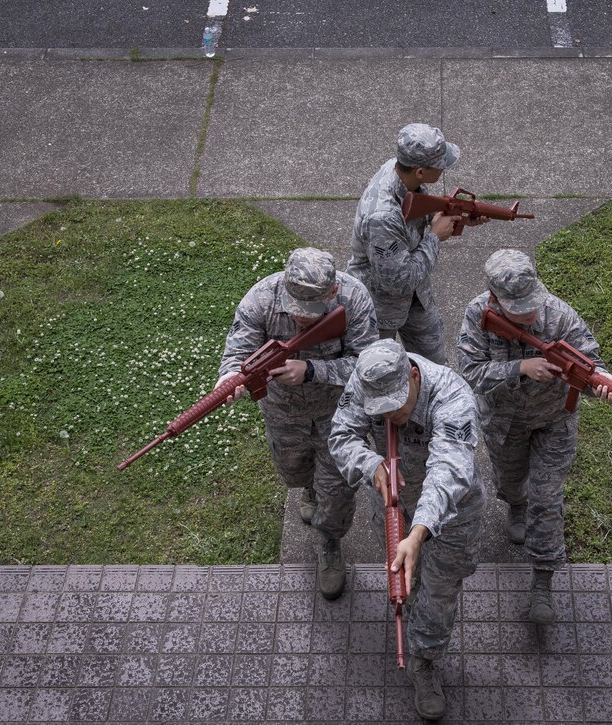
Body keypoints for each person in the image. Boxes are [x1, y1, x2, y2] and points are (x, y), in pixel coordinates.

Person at [455, 249, 612, 625]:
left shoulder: (558, 314)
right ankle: (514, 504)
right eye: (517, 309)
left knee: (546, 498)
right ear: (495, 300)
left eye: (530, 305)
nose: (529, 314)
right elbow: (469, 371)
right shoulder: (477, 315)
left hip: (553, 421)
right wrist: (520, 367)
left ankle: (543, 581)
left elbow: (591, 359)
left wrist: (602, 383)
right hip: (504, 422)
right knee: (510, 481)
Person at [329, 339, 484, 721]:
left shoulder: (452, 395)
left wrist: (417, 533)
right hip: (391, 500)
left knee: (440, 590)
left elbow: (448, 470)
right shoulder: (365, 380)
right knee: (405, 582)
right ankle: (409, 615)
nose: (391, 416)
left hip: (449, 512)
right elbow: (341, 436)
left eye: (397, 405)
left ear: (413, 375)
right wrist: (370, 465)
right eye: (380, 410)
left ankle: (424, 660)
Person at [215, 247, 378, 600]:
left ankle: (329, 540)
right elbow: (238, 350)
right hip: (283, 413)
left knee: (337, 488)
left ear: (333, 293)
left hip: (340, 413)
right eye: (296, 311)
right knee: (294, 470)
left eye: (312, 313)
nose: (302, 319)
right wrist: (228, 378)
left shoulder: (355, 299)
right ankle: (309, 488)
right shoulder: (261, 298)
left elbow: (368, 365)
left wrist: (312, 370)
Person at [347, 122, 485, 365]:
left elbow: (414, 211)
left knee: (434, 366)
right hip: (379, 308)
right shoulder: (382, 217)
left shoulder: (400, 169)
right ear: (420, 171)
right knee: (379, 373)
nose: (444, 169)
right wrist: (434, 236)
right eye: (440, 165)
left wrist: (454, 216)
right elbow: (399, 282)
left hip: (416, 298)